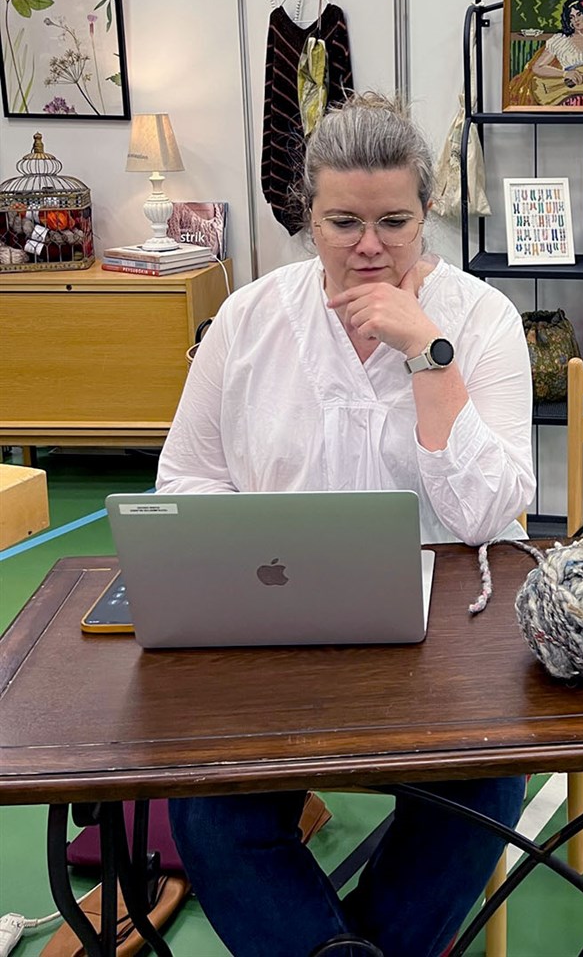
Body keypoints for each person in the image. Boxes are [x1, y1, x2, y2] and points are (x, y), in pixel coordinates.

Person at [159, 92, 535, 957]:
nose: (369, 246)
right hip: (273, 629)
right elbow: (188, 477)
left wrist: (428, 354)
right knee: (208, 806)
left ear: (426, 212)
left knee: (485, 789)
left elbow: (488, 512)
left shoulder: (480, 320)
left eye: (393, 222)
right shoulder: (250, 320)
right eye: (343, 223)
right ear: (308, 216)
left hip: (442, 642)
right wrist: (249, 555)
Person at [508, 0, 583, 106]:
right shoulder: (560, 40)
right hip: (566, 95)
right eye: (571, 17)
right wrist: (566, 74)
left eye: (579, 14)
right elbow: (537, 67)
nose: (576, 20)